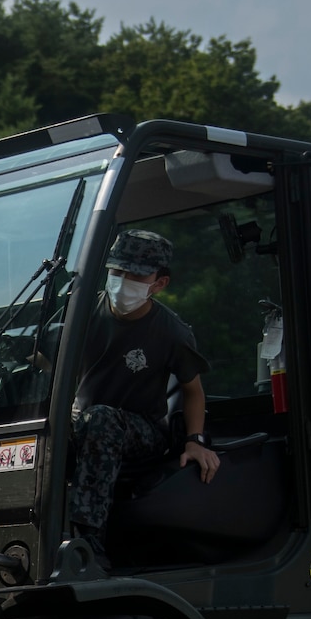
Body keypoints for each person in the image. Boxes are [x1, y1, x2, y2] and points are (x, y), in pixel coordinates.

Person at [66, 229, 223, 566]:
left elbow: (193, 391)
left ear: (159, 283)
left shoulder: (171, 331)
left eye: (136, 275)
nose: (123, 281)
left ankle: (88, 544)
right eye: (117, 271)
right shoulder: (81, 312)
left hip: (143, 430)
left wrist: (195, 441)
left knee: (101, 419)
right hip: (83, 417)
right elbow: (48, 364)